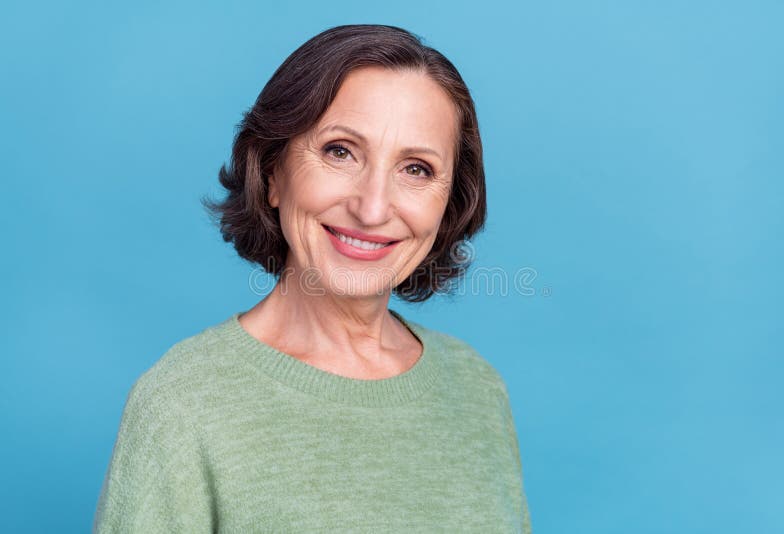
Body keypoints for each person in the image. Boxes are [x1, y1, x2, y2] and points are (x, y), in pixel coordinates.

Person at [93, 24, 531, 533]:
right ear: (274, 172)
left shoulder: (478, 389)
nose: (371, 208)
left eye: (415, 169)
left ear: (450, 200)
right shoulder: (182, 405)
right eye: (340, 151)